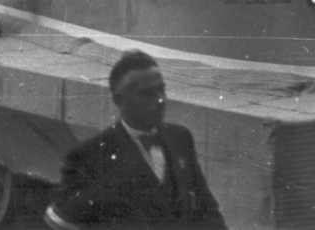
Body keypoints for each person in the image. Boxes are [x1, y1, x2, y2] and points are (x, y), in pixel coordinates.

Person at [44, 50, 228, 230]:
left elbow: (207, 211)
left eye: (161, 90)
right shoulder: (91, 156)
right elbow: (60, 222)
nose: (160, 100)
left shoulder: (180, 138)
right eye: (147, 93)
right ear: (120, 101)